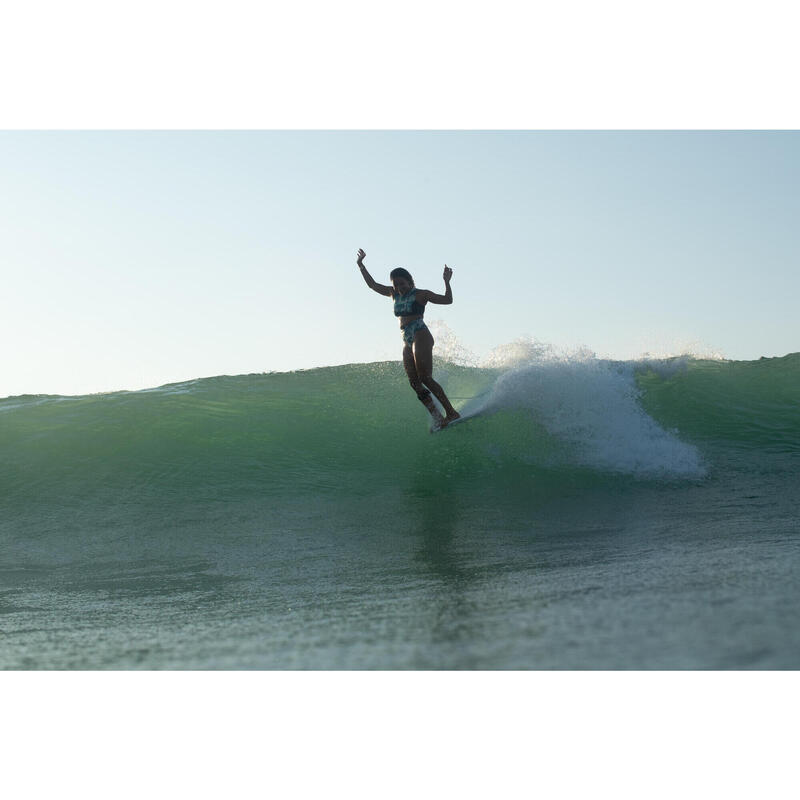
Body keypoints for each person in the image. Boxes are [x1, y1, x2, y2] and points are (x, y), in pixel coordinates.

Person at [357, 248, 461, 429]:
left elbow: (447, 300)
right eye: (396, 284)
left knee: (425, 377)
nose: (399, 287)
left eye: (402, 284)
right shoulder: (393, 294)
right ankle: (437, 417)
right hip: (407, 339)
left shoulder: (422, 294)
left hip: (421, 333)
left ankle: (451, 412)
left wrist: (446, 282)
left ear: (410, 281)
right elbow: (373, 285)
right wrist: (361, 265)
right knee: (414, 383)